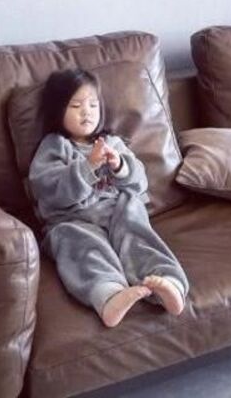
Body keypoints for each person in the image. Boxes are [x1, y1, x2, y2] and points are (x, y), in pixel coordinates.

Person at [28, 68, 190, 328]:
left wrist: (120, 166)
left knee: (138, 236)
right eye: (76, 105)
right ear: (58, 111)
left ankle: (168, 282)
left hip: (117, 212)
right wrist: (87, 167)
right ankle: (110, 295)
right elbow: (49, 190)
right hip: (74, 219)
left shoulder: (112, 143)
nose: (87, 112)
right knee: (83, 247)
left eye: (93, 105)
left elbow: (139, 183)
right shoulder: (54, 147)